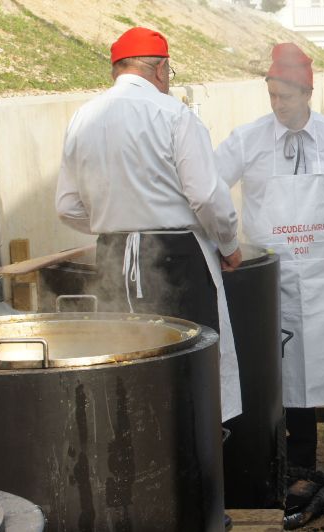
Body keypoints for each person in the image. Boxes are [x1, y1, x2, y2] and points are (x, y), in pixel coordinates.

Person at [214, 43, 324, 490]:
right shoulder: (246, 139)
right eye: (271, 95)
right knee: (285, 374)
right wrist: (222, 243)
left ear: (308, 92)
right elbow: (210, 188)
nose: (277, 105)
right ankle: (299, 463)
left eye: (285, 96)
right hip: (272, 280)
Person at [55, 27, 243, 423]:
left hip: (113, 256)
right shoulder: (173, 114)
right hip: (177, 257)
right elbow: (207, 196)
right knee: (190, 362)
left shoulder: (83, 118)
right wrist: (229, 245)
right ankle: (194, 455)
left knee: (127, 362)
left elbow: (68, 206)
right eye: (168, 73)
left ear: (117, 71)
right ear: (160, 70)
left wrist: (116, 220)